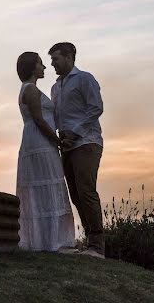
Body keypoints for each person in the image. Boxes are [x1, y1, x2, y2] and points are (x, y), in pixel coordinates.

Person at [48, 41, 105, 258]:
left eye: (56, 59)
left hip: (87, 143)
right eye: (52, 60)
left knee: (86, 191)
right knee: (75, 195)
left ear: (69, 57)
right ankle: (90, 242)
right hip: (67, 146)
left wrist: (76, 132)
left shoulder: (84, 79)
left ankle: (98, 247)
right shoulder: (55, 87)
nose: (52, 63)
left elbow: (96, 108)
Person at [15, 51, 75, 252]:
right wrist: (57, 140)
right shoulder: (30, 89)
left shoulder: (31, 89)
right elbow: (39, 120)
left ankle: (48, 239)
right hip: (39, 141)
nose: (44, 67)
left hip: (39, 140)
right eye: (41, 63)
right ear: (33, 67)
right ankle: (49, 242)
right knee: (47, 182)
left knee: (48, 183)